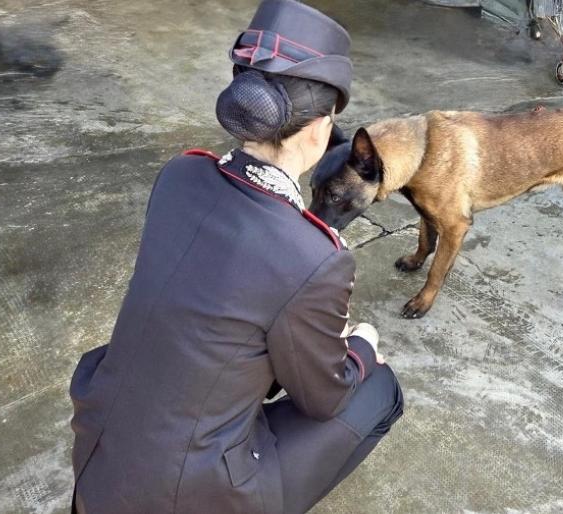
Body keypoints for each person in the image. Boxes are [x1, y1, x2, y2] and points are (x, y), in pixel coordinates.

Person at [68, 1, 403, 512]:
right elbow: (325, 397)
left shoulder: (180, 174)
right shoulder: (314, 255)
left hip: (101, 450)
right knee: (378, 389)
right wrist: (360, 345)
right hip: (182, 493)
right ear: (320, 128)